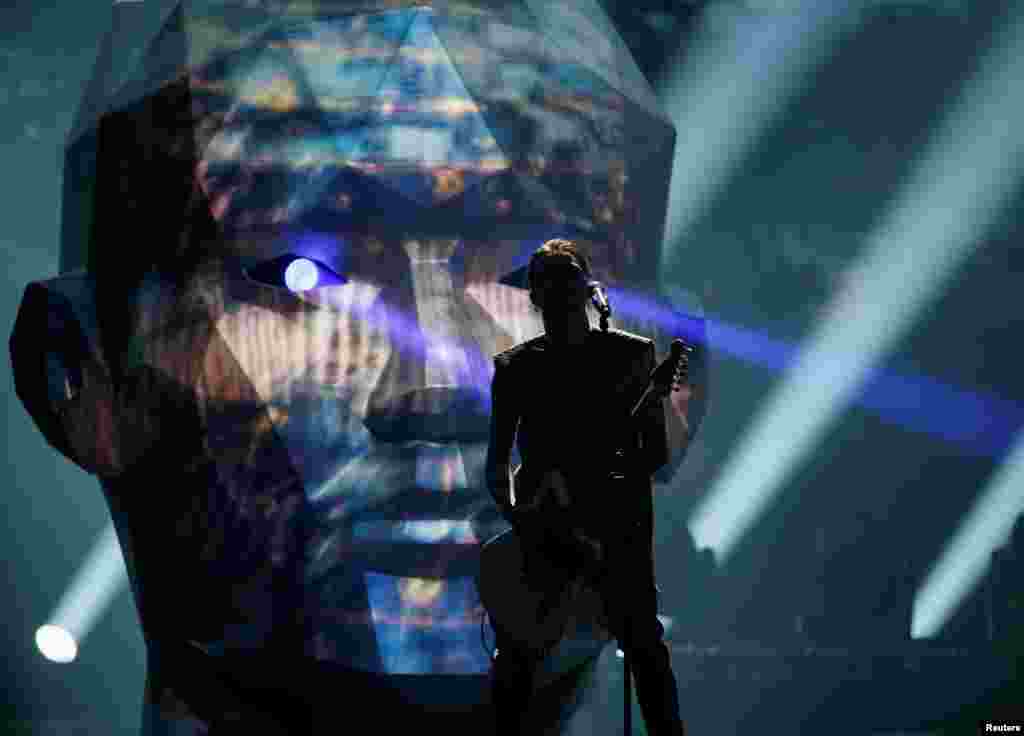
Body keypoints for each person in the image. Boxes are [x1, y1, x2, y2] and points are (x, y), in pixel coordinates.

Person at [484, 239, 687, 736]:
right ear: (534, 295)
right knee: (519, 653)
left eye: (568, 274)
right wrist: (522, 516)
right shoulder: (515, 369)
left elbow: (655, 454)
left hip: (616, 528)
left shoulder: (632, 356)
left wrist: (612, 469)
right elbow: (495, 465)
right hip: (544, 530)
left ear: (587, 287)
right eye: (547, 278)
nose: (558, 286)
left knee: (642, 643)